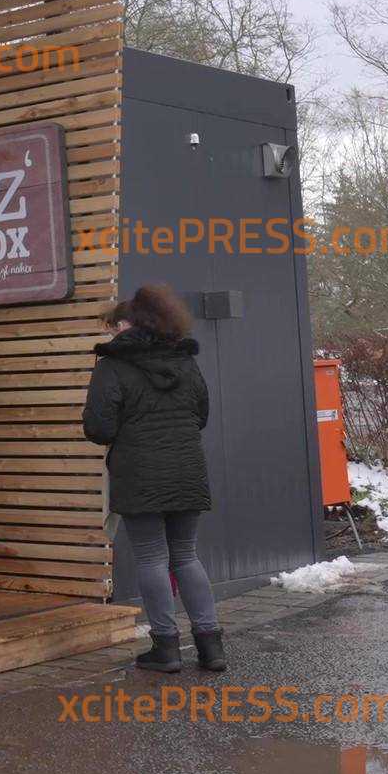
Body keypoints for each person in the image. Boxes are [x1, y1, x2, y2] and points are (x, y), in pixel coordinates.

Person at [82, 284, 227, 673]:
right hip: (187, 469)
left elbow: (98, 427)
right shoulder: (185, 361)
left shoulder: (112, 365)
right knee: (186, 555)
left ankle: (166, 648)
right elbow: (200, 415)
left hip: (139, 473)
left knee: (151, 557)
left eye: (116, 325)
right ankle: (211, 646)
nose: (113, 331)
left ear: (131, 324)